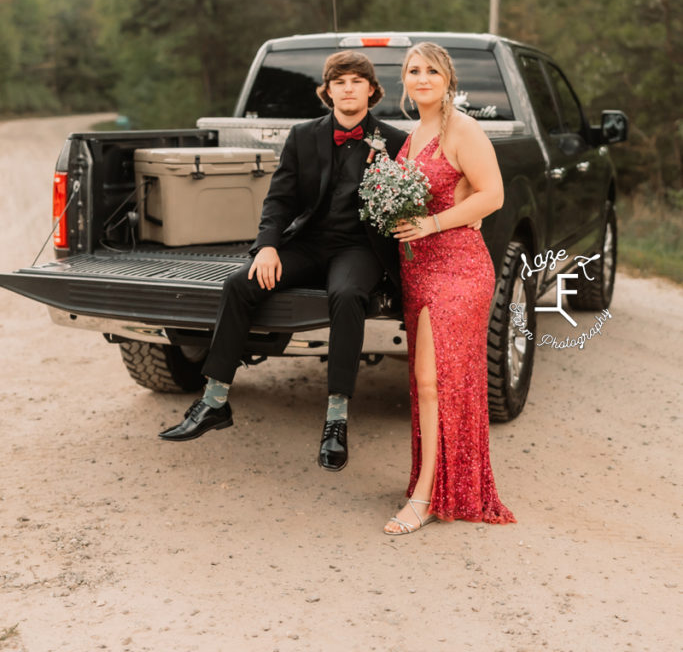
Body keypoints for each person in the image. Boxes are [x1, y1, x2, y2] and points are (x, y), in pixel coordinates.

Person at [159, 50, 407, 472]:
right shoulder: (303, 136)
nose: (348, 88)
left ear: (371, 90)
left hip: (358, 248)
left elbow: (406, 204)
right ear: (327, 91)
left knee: (347, 296)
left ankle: (336, 420)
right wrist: (268, 246)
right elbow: (280, 199)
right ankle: (214, 401)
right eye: (339, 81)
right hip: (308, 243)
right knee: (240, 283)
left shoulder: (397, 141)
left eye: (356, 81)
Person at [383, 42, 516, 534]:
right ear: (405, 81)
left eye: (431, 71)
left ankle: (425, 497)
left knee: (435, 380)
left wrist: (434, 223)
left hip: (458, 270)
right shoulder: (413, 133)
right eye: (413, 71)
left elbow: (493, 195)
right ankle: (444, 482)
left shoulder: (462, 129)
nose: (422, 78)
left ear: (448, 80)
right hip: (419, 271)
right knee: (426, 383)